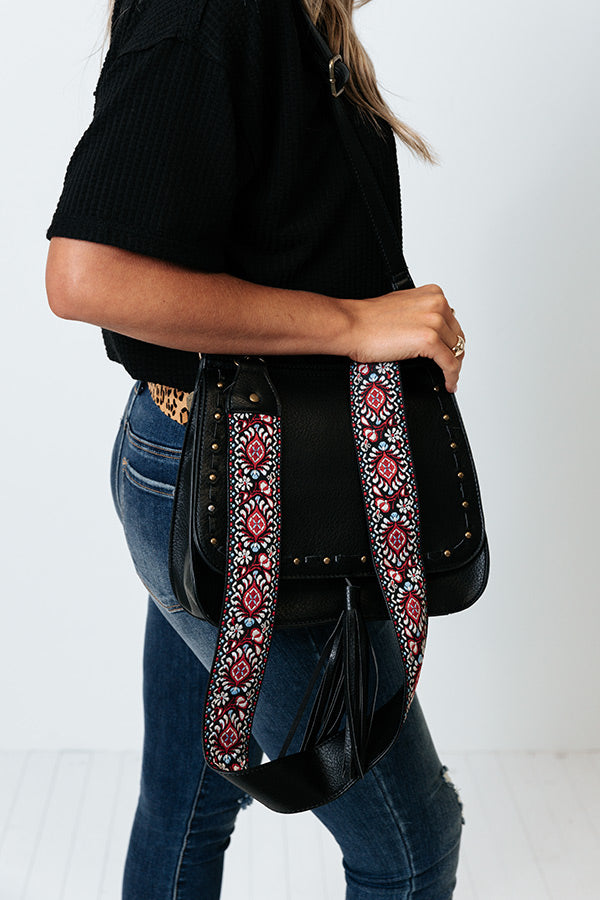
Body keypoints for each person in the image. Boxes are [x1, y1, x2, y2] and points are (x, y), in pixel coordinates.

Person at [45, 0, 467, 897]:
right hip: (247, 491)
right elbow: (87, 275)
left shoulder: (287, 16)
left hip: (238, 471)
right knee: (411, 847)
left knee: (186, 809)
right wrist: (354, 324)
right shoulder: (213, 9)